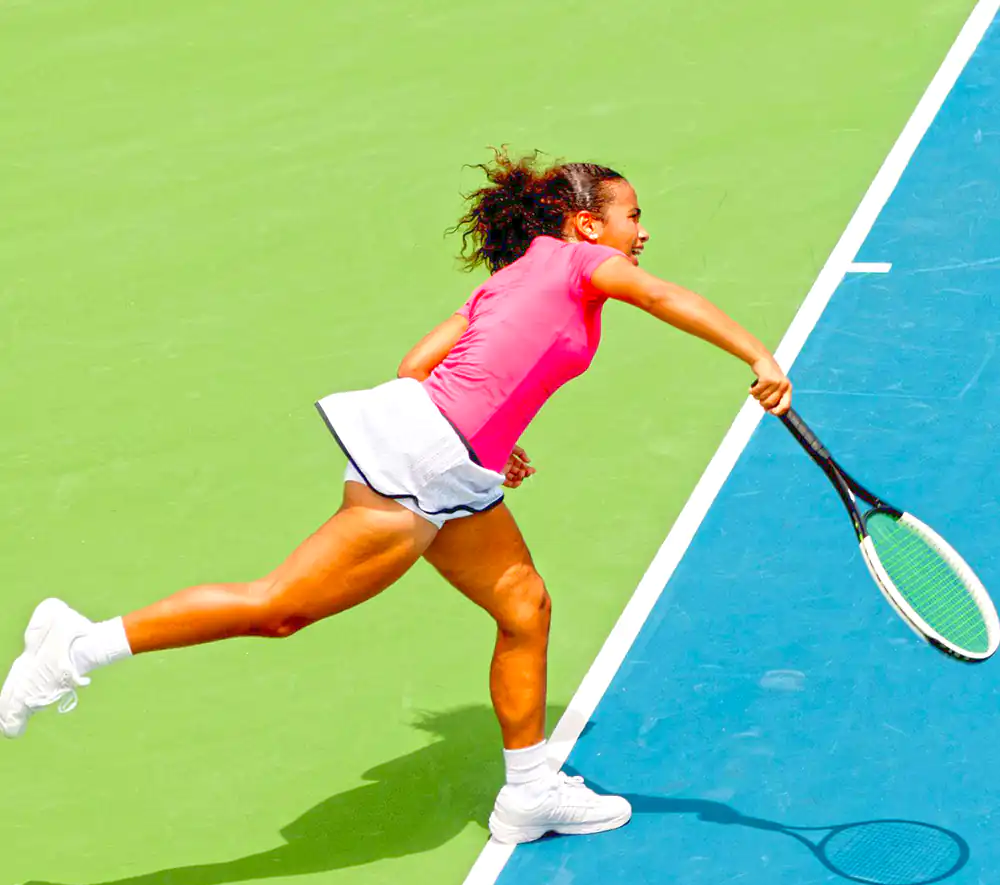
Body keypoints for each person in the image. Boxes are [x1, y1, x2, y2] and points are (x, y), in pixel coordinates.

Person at [0, 150, 791, 845]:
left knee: (524, 606)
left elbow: (421, 363)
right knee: (280, 607)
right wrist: (758, 352)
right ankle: (75, 647)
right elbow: (659, 298)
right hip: (425, 464)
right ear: (587, 226)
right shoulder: (580, 264)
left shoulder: (510, 280)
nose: (641, 233)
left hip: (449, 463)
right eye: (631, 216)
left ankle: (528, 791)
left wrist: (488, 432)